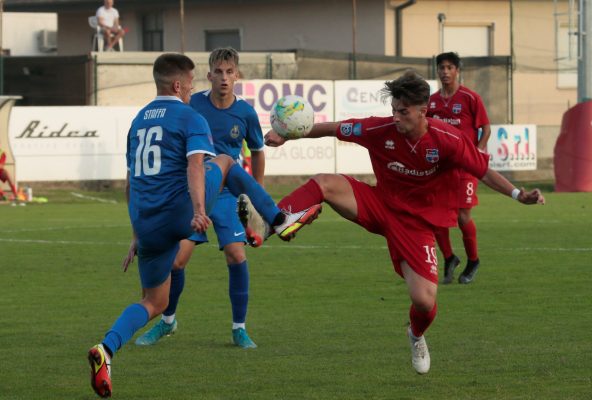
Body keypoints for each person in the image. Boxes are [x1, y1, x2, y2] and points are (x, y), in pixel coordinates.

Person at [247, 71, 544, 375]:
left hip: (416, 225)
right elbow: (334, 128)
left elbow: (484, 171)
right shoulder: (380, 128)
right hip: (380, 204)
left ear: (423, 111)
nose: (396, 117)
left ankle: (415, 335)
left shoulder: (449, 140)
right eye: (394, 110)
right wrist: (289, 135)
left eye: (403, 112)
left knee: (424, 301)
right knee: (324, 182)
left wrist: (519, 194)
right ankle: (271, 221)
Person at [87, 53, 321, 398]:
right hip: (182, 209)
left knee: (154, 301)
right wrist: (198, 210)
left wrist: (137, 234)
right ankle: (279, 220)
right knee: (225, 160)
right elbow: (196, 165)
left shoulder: (138, 121)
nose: (194, 87)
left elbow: (130, 182)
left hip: (146, 222)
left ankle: (105, 350)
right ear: (179, 85)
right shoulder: (189, 115)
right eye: (193, 82)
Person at [134, 48, 265, 349]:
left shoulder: (245, 112)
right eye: (218, 72)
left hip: (227, 194)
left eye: (229, 72)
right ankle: (168, 322)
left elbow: (257, 151)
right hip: (193, 192)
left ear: (237, 76)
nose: (223, 77)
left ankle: (239, 329)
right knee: (177, 262)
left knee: (237, 254)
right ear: (209, 75)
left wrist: (254, 194)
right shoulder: (192, 104)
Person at [427, 52, 491, 284]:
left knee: (463, 215)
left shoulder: (470, 98)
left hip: (465, 166)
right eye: (441, 67)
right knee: (435, 216)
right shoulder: (432, 102)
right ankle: (449, 257)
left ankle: (473, 260)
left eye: (449, 67)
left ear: (457, 70)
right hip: (440, 167)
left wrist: (479, 150)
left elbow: (485, 128)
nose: (445, 71)